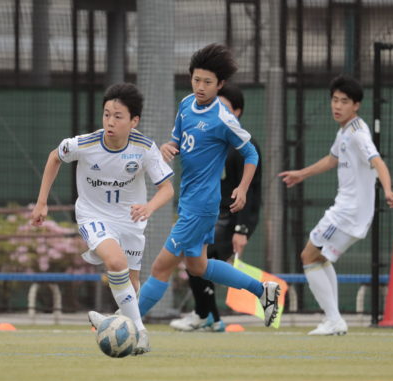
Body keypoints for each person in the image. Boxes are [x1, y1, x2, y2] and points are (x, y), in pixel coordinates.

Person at [86, 44, 280, 354]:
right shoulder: (186, 104)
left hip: (202, 205)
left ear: (220, 85)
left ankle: (124, 323)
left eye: (207, 82)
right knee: (199, 266)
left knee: (161, 267)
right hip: (189, 200)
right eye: (196, 79)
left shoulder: (223, 118)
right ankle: (263, 290)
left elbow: (251, 153)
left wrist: (243, 188)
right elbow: (177, 141)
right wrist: (167, 147)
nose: (200, 87)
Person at [31, 82, 174, 355]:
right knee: (116, 262)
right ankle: (141, 332)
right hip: (92, 216)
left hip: (131, 221)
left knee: (131, 285)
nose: (110, 121)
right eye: (107, 114)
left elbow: (167, 189)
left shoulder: (144, 147)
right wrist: (41, 202)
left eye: (118, 116)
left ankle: (110, 322)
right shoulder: (85, 144)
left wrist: (149, 207)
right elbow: (54, 157)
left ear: (134, 121)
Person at [279, 75, 393, 335]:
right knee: (320, 258)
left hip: (348, 212)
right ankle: (333, 319)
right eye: (334, 100)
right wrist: (301, 174)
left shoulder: (358, 134)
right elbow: (332, 159)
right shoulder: (344, 131)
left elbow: (378, 162)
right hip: (351, 211)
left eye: (344, 101)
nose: (337, 106)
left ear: (356, 105)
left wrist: (388, 190)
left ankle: (334, 320)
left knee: (308, 256)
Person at [169, 83, 262, 333]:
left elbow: (251, 192)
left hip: (230, 218)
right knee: (196, 260)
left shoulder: (244, 147)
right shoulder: (209, 136)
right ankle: (211, 317)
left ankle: (206, 315)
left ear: (237, 112)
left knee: (200, 260)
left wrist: (242, 230)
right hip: (207, 213)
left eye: (225, 106)